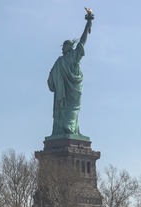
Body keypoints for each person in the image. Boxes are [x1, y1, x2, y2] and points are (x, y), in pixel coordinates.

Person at [47, 8, 94, 136]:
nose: (63, 48)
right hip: (74, 90)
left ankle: (71, 129)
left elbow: (50, 83)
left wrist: (88, 24)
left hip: (68, 91)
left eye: (64, 46)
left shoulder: (61, 61)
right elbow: (83, 41)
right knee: (73, 109)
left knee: (70, 109)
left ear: (67, 48)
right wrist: (88, 23)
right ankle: (69, 129)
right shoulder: (67, 58)